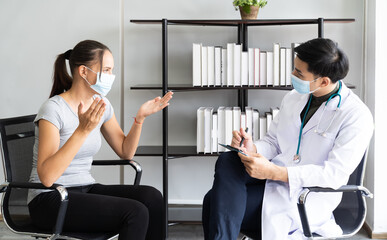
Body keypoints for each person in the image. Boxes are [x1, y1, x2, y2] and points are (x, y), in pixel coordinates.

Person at [202, 38, 373, 239]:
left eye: (299, 73)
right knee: (229, 159)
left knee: (212, 200)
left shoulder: (356, 115)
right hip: (273, 179)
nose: (292, 75)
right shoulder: (294, 98)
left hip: (305, 196)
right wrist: (253, 148)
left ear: (324, 81)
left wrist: (277, 172)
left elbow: (333, 174)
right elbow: (274, 142)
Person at [27, 40, 173, 240]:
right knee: (135, 212)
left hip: (84, 188)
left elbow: (125, 151)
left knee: (152, 198)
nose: (110, 76)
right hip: (49, 198)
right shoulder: (53, 109)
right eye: (105, 70)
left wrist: (140, 118)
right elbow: (47, 177)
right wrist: (82, 130)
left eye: (111, 70)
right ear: (83, 72)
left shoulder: (101, 104)